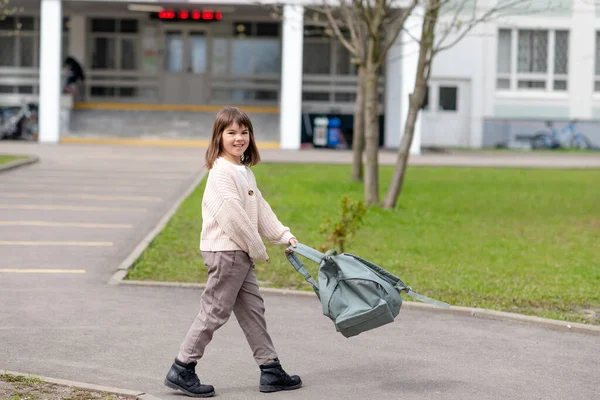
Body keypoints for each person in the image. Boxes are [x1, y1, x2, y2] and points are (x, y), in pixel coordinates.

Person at [164, 107, 302, 398]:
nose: (239, 138)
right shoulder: (221, 172)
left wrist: (284, 235)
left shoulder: (242, 171)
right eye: (231, 133)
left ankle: (271, 369)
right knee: (214, 311)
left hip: (239, 253)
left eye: (244, 132)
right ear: (219, 137)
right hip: (227, 252)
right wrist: (258, 249)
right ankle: (182, 367)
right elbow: (234, 217)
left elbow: (259, 209)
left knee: (253, 311)